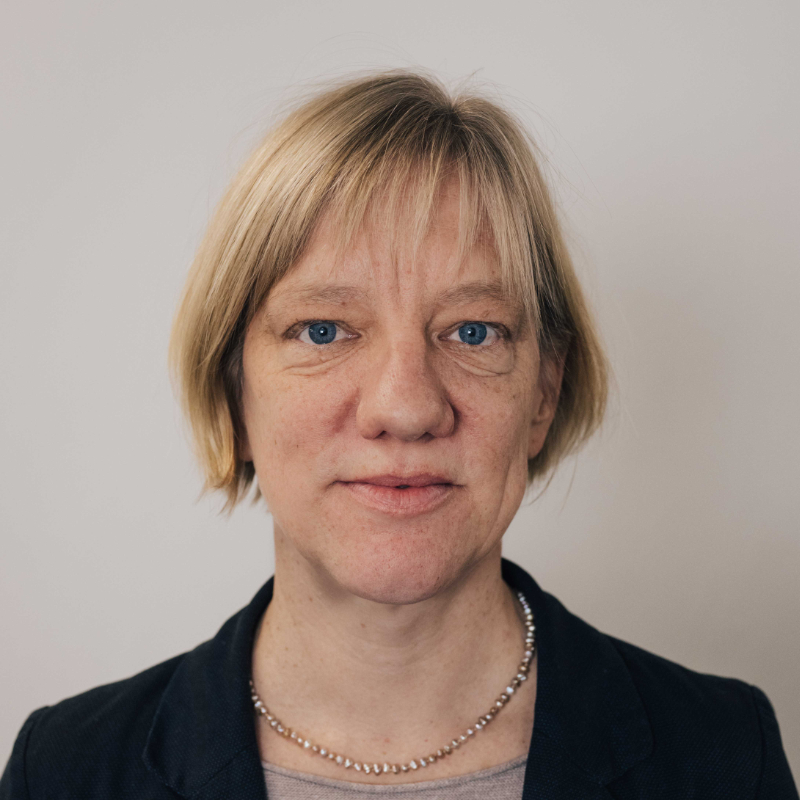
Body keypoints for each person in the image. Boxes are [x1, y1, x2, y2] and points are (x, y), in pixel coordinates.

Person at [1, 70, 796, 800]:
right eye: (323, 330)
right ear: (234, 393)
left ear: (544, 393)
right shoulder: (65, 771)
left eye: (474, 332)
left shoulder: (725, 756)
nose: (406, 406)